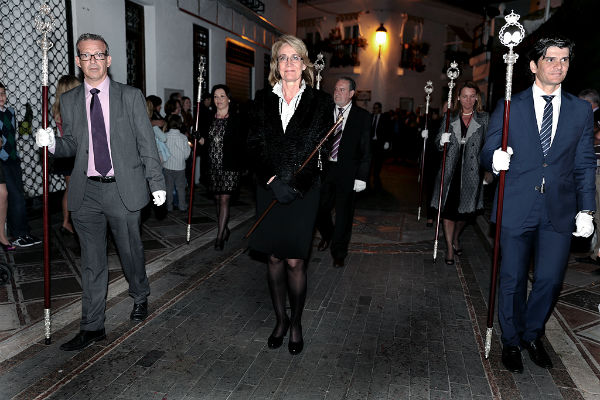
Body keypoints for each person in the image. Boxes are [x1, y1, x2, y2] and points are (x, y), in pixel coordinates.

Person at [35, 33, 166, 351]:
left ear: (108, 59)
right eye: (85, 55)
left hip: (123, 189)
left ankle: (140, 293)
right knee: (92, 262)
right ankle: (92, 326)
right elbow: (73, 146)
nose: (92, 60)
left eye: (98, 55)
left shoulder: (130, 96)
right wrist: (52, 143)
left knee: (130, 252)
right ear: (79, 62)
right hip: (87, 192)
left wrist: (157, 182)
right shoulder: (69, 101)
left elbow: (145, 143)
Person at [481, 36, 595, 373]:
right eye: (551, 59)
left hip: (559, 208)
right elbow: (488, 150)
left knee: (549, 279)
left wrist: (587, 209)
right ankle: (511, 340)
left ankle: (532, 333)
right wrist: (495, 159)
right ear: (533, 65)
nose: (559, 66)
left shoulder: (580, 110)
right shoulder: (509, 105)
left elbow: (585, 162)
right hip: (516, 204)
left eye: (564, 60)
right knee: (512, 278)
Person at [247, 34, 334, 355]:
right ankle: (280, 320)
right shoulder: (261, 100)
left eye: (295, 57)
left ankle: (295, 322)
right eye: (282, 58)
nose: (289, 64)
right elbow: (254, 146)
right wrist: (272, 180)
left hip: (302, 192)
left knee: (296, 261)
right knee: (273, 258)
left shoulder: (320, 102)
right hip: (269, 187)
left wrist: (295, 185)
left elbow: (318, 150)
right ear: (275, 65)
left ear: (304, 63)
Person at [430, 81, 489, 265]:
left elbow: (488, 146)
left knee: (465, 214)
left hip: (472, 173)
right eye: (465, 96)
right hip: (451, 171)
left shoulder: (484, 118)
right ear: (458, 97)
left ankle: (456, 236)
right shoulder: (450, 116)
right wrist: (442, 140)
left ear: (477, 98)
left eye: (472, 96)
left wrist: (488, 170)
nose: (468, 100)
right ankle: (449, 247)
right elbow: (438, 142)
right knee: (448, 211)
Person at [315, 77, 371, 267]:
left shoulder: (362, 116)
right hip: (326, 170)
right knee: (319, 209)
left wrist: (362, 176)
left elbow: (366, 149)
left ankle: (339, 252)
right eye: (335, 89)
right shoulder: (323, 114)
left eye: (341, 89)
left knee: (344, 215)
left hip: (348, 171)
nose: (337, 93)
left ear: (351, 94)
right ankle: (329, 235)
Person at [198, 84, 246, 250]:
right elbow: (205, 142)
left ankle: (219, 237)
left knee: (225, 199)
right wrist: (200, 138)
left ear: (228, 98)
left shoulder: (236, 119)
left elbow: (241, 143)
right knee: (218, 200)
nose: (218, 99)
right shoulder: (208, 118)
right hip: (213, 165)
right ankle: (224, 228)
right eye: (216, 96)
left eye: (222, 96)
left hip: (230, 165)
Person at [0, 83, 42, 248]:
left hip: (13, 159)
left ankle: (23, 232)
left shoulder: (10, 112)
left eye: (3, 93)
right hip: (2, 161)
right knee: (15, 197)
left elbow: (11, 136)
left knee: (19, 196)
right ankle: (18, 234)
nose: (1, 97)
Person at [52, 75, 81, 235]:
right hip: (71, 155)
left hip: (64, 155)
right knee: (76, 190)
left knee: (70, 189)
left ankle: (66, 222)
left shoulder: (57, 109)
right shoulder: (70, 111)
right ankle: (72, 222)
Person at [575, 89, 600, 267]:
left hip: (598, 169)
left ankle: (597, 254)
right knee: (596, 214)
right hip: (594, 168)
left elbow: (597, 137)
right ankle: (594, 253)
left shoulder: (595, 116)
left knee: (598, 214)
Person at [163, 114, 190, 211]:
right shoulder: (183, 138)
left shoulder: (165, 136)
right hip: (180, 167)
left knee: (168, 188)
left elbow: (161, 151)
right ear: (180, 124)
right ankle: (182, 206)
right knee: (181, 188)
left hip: (167, 166)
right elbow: (186, 154)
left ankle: (169, 206)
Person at [369, 102, 390, 191]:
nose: (375, 109)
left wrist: (387, 141)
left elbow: (388, 130)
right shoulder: (370, 117)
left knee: (378, 163)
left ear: (380, 109)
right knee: (370, 162)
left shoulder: (384, 118)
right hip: (371, 143)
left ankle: (376, 179)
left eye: (376, 108)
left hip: (379, 143)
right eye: (374, 108)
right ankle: (368, 182)